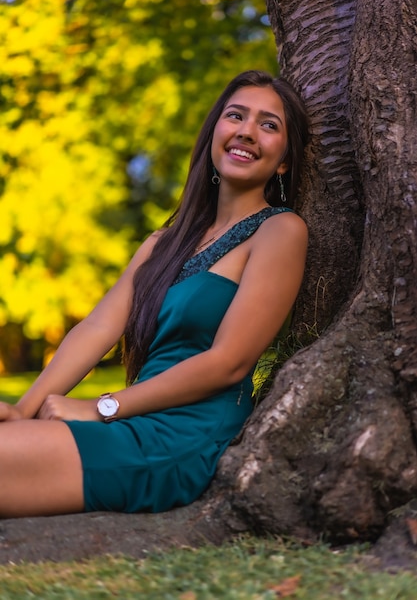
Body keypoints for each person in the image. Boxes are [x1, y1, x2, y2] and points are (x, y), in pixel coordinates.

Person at [0, 70, 309, 518]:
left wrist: (102, 407)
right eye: (236, 116)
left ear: (284, 160)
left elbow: (229, 362)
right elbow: (99, 327)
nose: (246, 130)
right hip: (129, 421)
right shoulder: (162, 243)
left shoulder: (280, 231)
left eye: (269, 124)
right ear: (213, 135)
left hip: (183, 436)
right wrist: (24, 409)